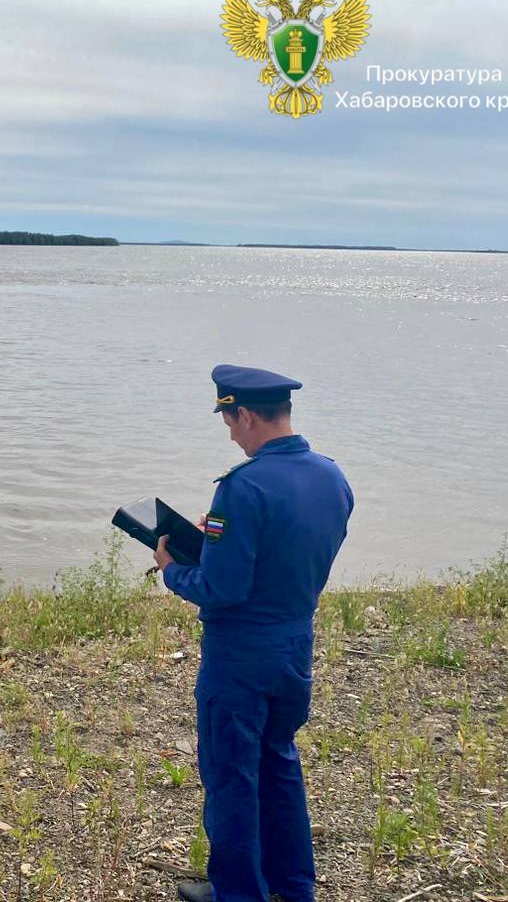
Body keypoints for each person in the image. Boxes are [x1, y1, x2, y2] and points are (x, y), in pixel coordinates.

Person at [153, 364, 354, 902]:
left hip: (240, 657)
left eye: (228, 419)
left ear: (244, 414)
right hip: (294, 649)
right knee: (279, 765)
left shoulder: (243, 487)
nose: (228, 431)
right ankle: (294, 888)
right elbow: (289, 554)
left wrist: (171, 569)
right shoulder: (331, 477)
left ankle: (238, 894)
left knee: (231, 779)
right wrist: (220, 541)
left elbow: (223, 588)